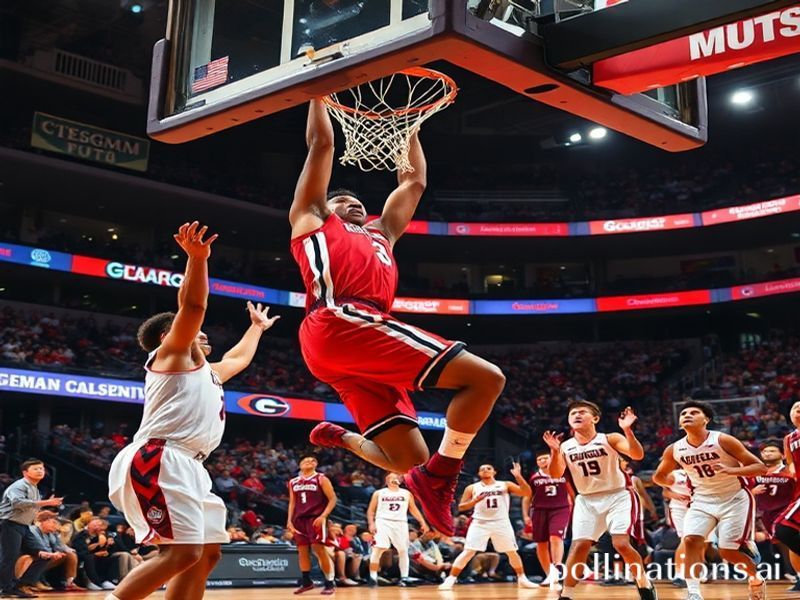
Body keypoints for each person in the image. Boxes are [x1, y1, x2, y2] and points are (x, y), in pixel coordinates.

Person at [289, 99, 506, 535]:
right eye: (343, 199)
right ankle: (442, 478)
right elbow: (322, 142)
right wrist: (317, 93)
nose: (353, 203)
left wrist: (408, 121)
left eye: (356, 200)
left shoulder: (381, 234)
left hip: (349, 345)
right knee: (487, 378)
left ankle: (342, 437)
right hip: (338, 318)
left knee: (409, 461)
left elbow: (414, 180)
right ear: (326, 207)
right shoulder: (311, 218)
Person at [107, 222, 280, 600]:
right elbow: (194, 304)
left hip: (191, 464)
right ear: (167, 337)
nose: (203, 333)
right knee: (181, 552)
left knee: (205, 554)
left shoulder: (208, 372)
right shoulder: (169, 355)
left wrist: (257, 329)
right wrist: (197, 260)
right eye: (192, 329)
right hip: (159, 456)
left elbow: (237, 358)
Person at [652, 401, 768, 600]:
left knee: (727, 552)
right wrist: (668, 481)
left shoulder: (723, 440)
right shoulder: (674, 449)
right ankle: (694, 593)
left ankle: (755, 578)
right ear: (680, 423)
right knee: (690, 540)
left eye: (694, 412)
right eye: (684, 413)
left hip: (734, 498)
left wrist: (732, 470)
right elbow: (658, 477)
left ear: (706, 420)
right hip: (702, 500)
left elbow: (760, 467)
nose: (687, 415)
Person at [545, 402, 657, 600]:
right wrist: (554, 452)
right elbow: (555, 474)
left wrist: (628, 430)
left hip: (617, 495)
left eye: (582, 412)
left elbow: (637, 454)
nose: (576, 415)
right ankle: (566, 595)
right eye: (573, 413)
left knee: (621, 544)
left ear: (595, 419)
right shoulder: (566, 446)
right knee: (579, 546)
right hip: (587, 500)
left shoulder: (610, 438)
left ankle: (644, 583)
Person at [439, 462, 537, 590]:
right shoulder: (472, 488)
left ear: (494, 472)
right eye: (482, 469)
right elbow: (461, 507)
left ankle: (522, 578)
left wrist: (518, 476)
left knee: (511, 552)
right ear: (479, 474)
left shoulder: (505, 484)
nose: (485, 470)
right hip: (480, 523)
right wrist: (475, 501)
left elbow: (527, 492)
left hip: (501, 522)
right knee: (468, 551)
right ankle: (450, 579)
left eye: (488, 468)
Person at [0, 458, 63, 598]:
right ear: (25, 472)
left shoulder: (34, 488)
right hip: (9, 523)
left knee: (45, 555)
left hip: (25, 526)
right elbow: (17, 503)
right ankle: (5, 589)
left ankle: (20, 585)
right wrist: (46, 502)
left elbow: (31, 506)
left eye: (42, 468)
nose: (40, 471)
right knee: (9, 557)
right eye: (36, 468)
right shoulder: (19, 485)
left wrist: (44, 505)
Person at [366, 472, 429, 587]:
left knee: (403, 550)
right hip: (383, 522)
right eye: (391, 478)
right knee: (379, 548)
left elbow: (413, 509)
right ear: (387, 480)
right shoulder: (379, 493)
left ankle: (404, 578)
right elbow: (371, 510)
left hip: (400, 523)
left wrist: (422, 522)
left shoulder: (406, 493)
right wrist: (371, 523)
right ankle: (372, 576)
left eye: (396, 477)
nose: (394, 479)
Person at [287, 456, 337, 595]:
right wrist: (289, 521)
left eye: (313, 460)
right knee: (302, 551)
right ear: (300, 465)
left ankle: (329, 582)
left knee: (318, 549)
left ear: (316, 464)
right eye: (306, 460)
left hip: (316, 518)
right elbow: (292, 503)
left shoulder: (321, 478)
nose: (309, 461)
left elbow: (333, 499)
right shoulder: (293, 482)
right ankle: (307, 582)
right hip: (298, 519)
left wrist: (323, 516)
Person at [522, 450, 571, 589]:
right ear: (537, 463)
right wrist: (525, 516)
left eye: (545, 458)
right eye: (540, 459)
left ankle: (556, 569)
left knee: (556, 538)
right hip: (539, 511)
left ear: (551, 459)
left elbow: (571, 494)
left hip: (560, 509)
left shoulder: (563, 473)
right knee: (541, 544)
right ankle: (549, 574)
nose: (543, 461)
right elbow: (527, 497)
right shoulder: (534, 478)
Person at [752, 439, 796, 584]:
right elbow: (742, 492)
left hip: (785, 513)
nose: (767, 453)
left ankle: (794, 575)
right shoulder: (755, 472)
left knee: (788, 545)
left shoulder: (790, 471)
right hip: (762, 516)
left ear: (783, 455)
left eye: (772, 451)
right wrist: (752, 491)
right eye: (765, 451)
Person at [15, 511, 82, 593]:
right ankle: (31, 583)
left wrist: (67, 550)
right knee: (44, 557)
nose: (56, 525)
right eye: (53, 522)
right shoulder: (33, 530)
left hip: (45, 556)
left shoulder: (51, 534)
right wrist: (53, 554)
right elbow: (38, 548)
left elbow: (58, 545)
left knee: (70, 555)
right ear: (42, 522)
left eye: (56, 523)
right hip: (30, 558)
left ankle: (70, 582)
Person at [773, 400, 800, 591]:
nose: (798, 410)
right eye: (795, 408)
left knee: (784, 528)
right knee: (789, 533)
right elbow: (791, 466)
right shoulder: (789, 438)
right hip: (797, 490)